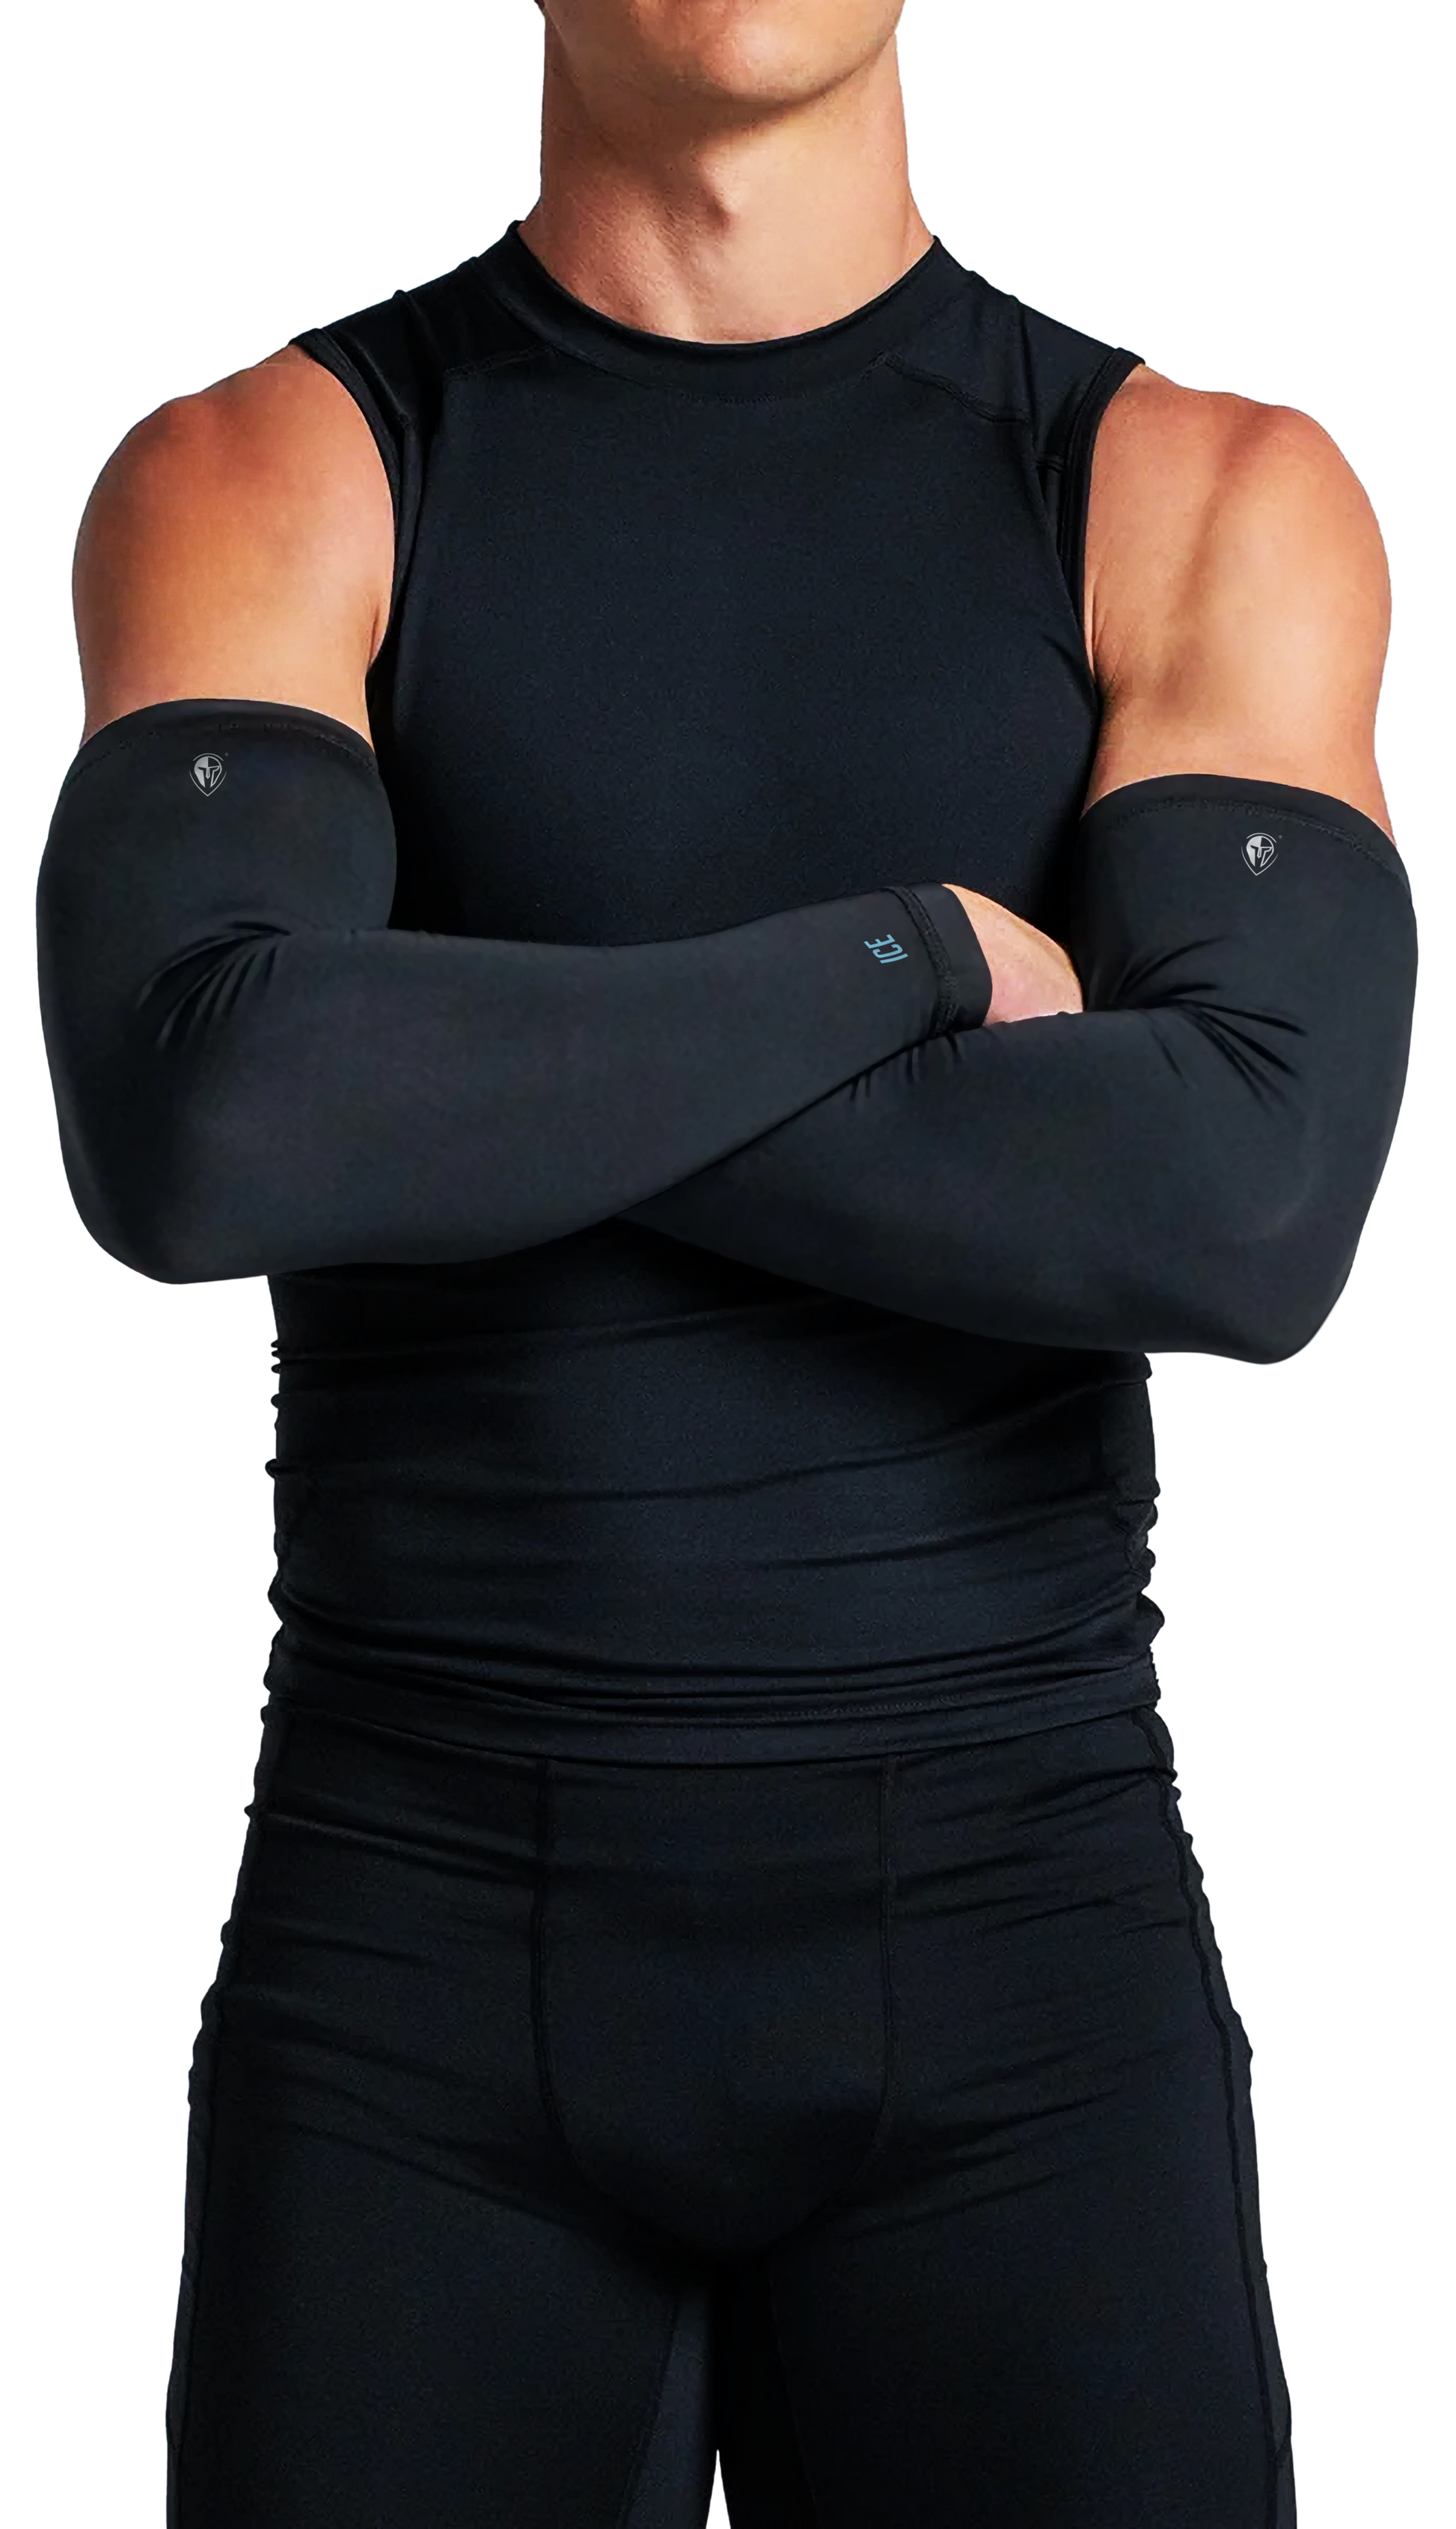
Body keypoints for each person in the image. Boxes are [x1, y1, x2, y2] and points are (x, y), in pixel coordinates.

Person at [33, 4, 1418, 2523]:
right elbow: (211, 1130)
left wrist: (472, 1073)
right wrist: (909, 959)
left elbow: (1239, 1204)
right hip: (417, 1949)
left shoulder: (1194, 488)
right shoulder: (273, 470)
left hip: (1024, 1951)